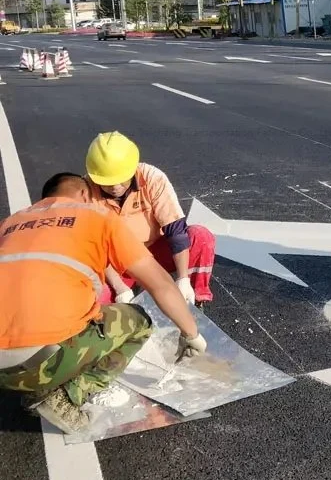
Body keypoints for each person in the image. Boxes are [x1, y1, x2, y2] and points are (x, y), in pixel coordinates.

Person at [0, 173, 207, 434]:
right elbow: (160, 284)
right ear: (85, 195)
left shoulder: (10, 222)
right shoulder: (97, 217)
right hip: (42, 362)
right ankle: (67, 393)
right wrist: (191, 334)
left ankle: (35, 380)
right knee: (138, 321)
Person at [84, 132, 215, 307]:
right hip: (116, 263)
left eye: (121, 179)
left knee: (200, 237)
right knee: (90, 300)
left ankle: (195, 299)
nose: (115, 187)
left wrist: (183, 279)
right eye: (107, 182)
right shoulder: (85, 193)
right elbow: (95, 249)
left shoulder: (152, 178)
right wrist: (120, 287)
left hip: (154, 254)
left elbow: (176, 231)